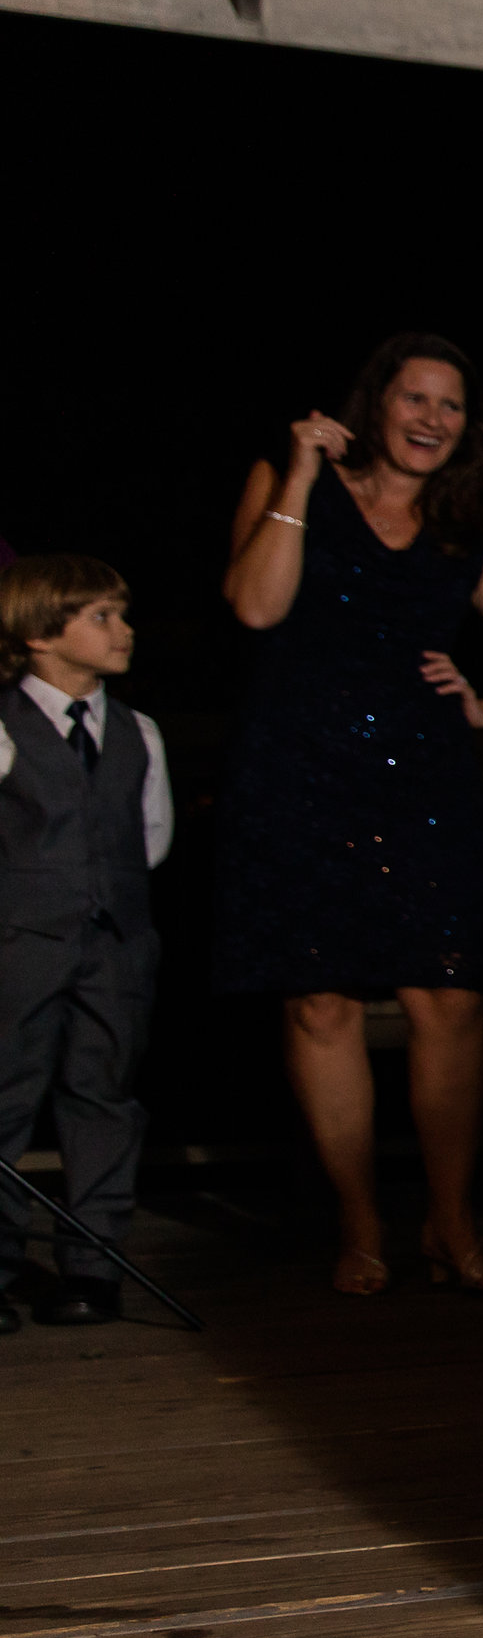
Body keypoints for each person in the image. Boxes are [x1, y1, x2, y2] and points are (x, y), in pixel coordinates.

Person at [217, 333, 483, 1297]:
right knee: (319, 1001)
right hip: (295, 775)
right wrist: (298, 468)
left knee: (447, 999)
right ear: (375, 406)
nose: (431, 420)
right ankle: (361, 1225)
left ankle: (450, 1222)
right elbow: (253, 606)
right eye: (414, 400)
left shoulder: (472, 532)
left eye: (450, 406)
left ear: (468, 428)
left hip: (423, 782)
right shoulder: (294, 486)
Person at [0, 559, 171, 1328]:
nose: (123, 629)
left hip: (116, 944)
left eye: (121, 613)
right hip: (21, 941)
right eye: (100, 616)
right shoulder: (5, 727)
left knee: (102, 1095)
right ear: (40, 635)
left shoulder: (137, 731)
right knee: (5, 1097)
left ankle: (91, 1266)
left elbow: (152, 837)